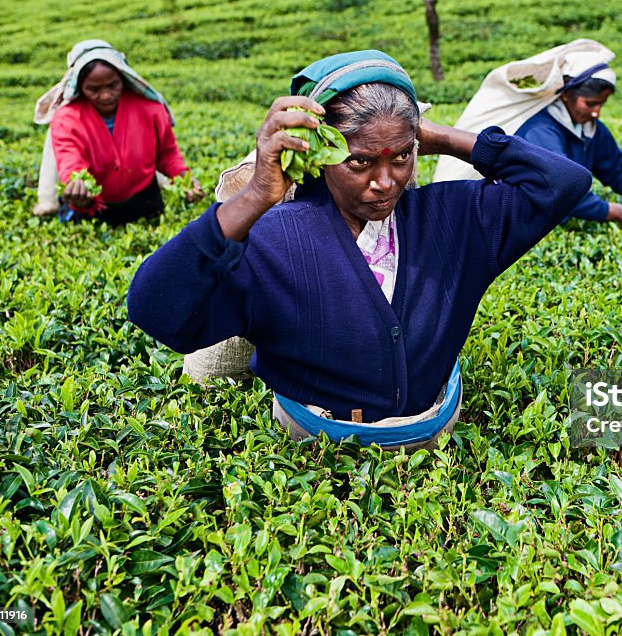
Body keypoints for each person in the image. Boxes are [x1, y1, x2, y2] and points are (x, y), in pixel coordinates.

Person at [127, 50, 591, 450]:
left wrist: (442, 137)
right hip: (314, 448)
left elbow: (563, 183)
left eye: (401, 157)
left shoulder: (453, 219)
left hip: (434, 437)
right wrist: (254, 197)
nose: (385, 182)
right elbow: (155, 307)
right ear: (321, 155)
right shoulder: (274, 240)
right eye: (360, 161)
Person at [33, 39, 203, 224]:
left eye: (113, 85)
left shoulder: (150, 108)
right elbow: (70, 161)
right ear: (79, 86)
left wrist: (185, 180)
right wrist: (77, 186)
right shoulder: (68, 118)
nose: (105, 95)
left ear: (123, 78)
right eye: (94, 89)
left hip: (144, 202)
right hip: (92, 210)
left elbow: (168, 154)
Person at [516, 53, 622, 235]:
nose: (596, 113)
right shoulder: (540, 130)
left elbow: (616, 168)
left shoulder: (590, 127)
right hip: (526, 227)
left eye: (601, 104)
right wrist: (618, 212)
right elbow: (563, 188)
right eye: (590, 104)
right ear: (566, 95)